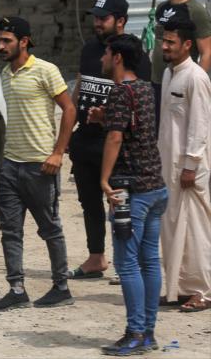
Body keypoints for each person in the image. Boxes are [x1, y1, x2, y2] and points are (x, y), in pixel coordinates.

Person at [0, 16, 76, 312]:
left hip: (40, 166)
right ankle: (16, 289)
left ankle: (61, 287)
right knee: (10, 230)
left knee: (50, 228)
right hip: (10, 165)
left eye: (7, 41)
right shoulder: (5, 74)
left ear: (24, 42)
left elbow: (69, 109)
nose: (1, 46)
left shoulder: (46, 70)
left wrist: (58, 153)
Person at [68, 0, 150, 282]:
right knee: (89, 202)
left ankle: (127, 263)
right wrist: (68, 132)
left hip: (116, 144)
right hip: (85, 140)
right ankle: (96, 257)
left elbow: (141, 101)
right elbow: (80, 88)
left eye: (104, 18)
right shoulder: (90, 49)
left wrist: (109, 116)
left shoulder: (134, 54)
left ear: (121, 21)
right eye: (96, 17)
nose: (98, 23)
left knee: (121, 204)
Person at [95, 34, 168, 355]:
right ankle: (148, 333)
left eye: (106, 53)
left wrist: (104, 179)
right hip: (155, 187)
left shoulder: (120, 92)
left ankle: (135, 333)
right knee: (149, 261)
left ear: (118, 58)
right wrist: (105, 117)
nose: (102, 59)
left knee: (127, 264)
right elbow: (132, 130)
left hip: (130, 191)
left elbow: (115, 138)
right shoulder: (145, 89)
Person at [156, 7, 211, 313]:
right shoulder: (168, 74)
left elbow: (200, 125)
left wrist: (190, 165)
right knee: (172, 226)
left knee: (195, 228)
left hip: (191, 169)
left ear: (187, 44)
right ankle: (177, 289)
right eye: (164, 41)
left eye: (171, 42)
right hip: (168, 165)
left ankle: (203, 291)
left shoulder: (196, 77)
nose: (165, 46)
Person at [150, 0, 211, 124]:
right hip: (158, 81)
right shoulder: (162, 8)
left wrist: (193, 84)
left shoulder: (196, 11)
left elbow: (207, 52)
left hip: (180, 84)